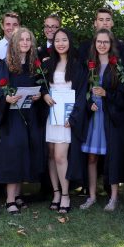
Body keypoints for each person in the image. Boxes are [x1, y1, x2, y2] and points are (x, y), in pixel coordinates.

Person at [0, 27, 43, 214]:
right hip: (12, 117)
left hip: (29, 115)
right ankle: (10, 200)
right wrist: (6, 99)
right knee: (13, 155)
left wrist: (37, 96)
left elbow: (39, 86)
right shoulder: (5, 65)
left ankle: (19, 195)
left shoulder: (33, 65)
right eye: (21, 39)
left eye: (28, 39)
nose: (24, 42)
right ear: (14, 42)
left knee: (24, 153)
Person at [81, 29, 124, 211]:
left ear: (111, 45)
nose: (102, 45)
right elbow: (81, 92)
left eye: (106, 42)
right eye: (99, 42)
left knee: (112, 157)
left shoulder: (117, 67)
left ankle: (114, 197)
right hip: (94, 117)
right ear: (95, 44)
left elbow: (123, 95)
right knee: (92, 158)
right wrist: (88, 104)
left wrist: (106, 94)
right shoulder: (88, 65)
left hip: (110, 116)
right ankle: (92, 196)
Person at [42, 28, 89, 214]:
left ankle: (65, 194)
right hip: (51, 115)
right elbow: (41, 86)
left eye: (64, 40)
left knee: (61, 156)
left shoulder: (78, 66)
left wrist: (74, 117)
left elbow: (81, 95)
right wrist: (45, 95)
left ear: (70, 42)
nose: (60, 43)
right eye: (57, 40)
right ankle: (55, 192)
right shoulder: (47, 65)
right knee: (51, 155)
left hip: (67, 118)